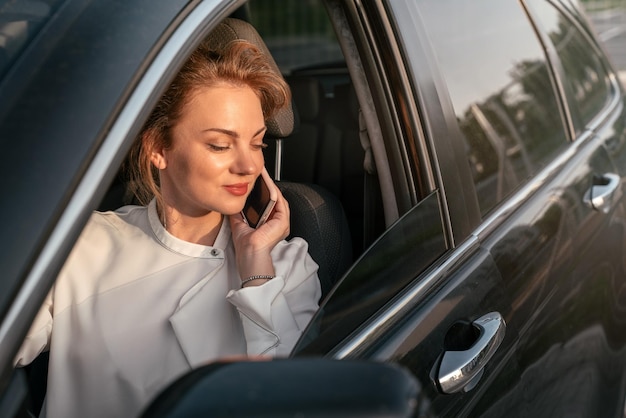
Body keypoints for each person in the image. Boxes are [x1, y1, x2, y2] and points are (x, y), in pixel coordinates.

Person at [14, 35, 321, 418]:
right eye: (220, 145)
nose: (248, 165)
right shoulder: (80, 245)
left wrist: (256, 270)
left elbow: (291, 403)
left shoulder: (286, 267)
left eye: (256, 144)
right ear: (158, 147)